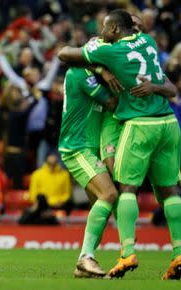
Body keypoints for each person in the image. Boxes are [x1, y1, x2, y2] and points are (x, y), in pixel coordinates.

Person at [59, 9, 181, 280]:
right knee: (121, 193)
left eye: (107, 29)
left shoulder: (114, 51)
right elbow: (117, 99)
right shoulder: (144, 45)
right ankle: (90, 257)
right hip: (82, 144)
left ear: (116, 31)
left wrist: (110, 68)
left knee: (118, 193)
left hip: (134, 127)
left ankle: (116, 253)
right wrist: (102, 70)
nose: (104, 34)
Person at [58, 64, 118, 278]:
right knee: (109, 194)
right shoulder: (79, 73)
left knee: (100, 208)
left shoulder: (95, 75)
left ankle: (84, 262)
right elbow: (112, 102)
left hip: (91, 148)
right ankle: (85, 258)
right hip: (77, 147)